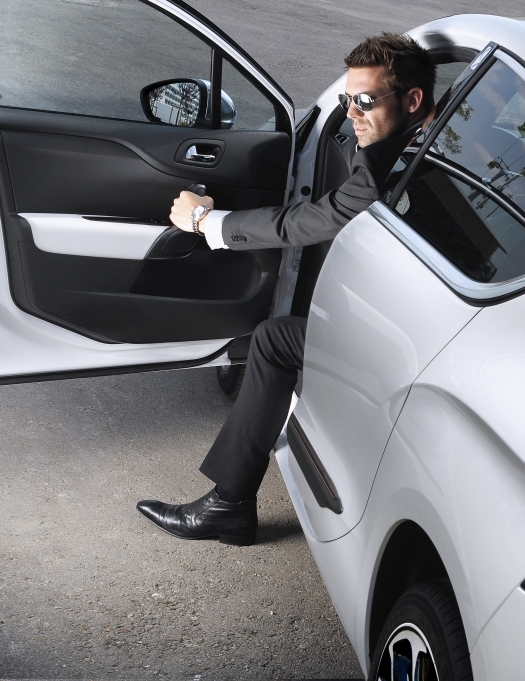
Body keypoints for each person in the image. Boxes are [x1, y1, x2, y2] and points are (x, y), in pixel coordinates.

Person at [135, 33, 436, 546]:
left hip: (413, 353)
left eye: (365, 101)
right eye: (347, 100)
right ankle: (229, 503)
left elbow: (314, 219)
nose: (351, 114)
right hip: (415, 324)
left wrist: (208, 222)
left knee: (275, 340)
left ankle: (228, 506)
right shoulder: (424, 140)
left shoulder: (405, 165)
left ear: (412, 101)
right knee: (277, 336)